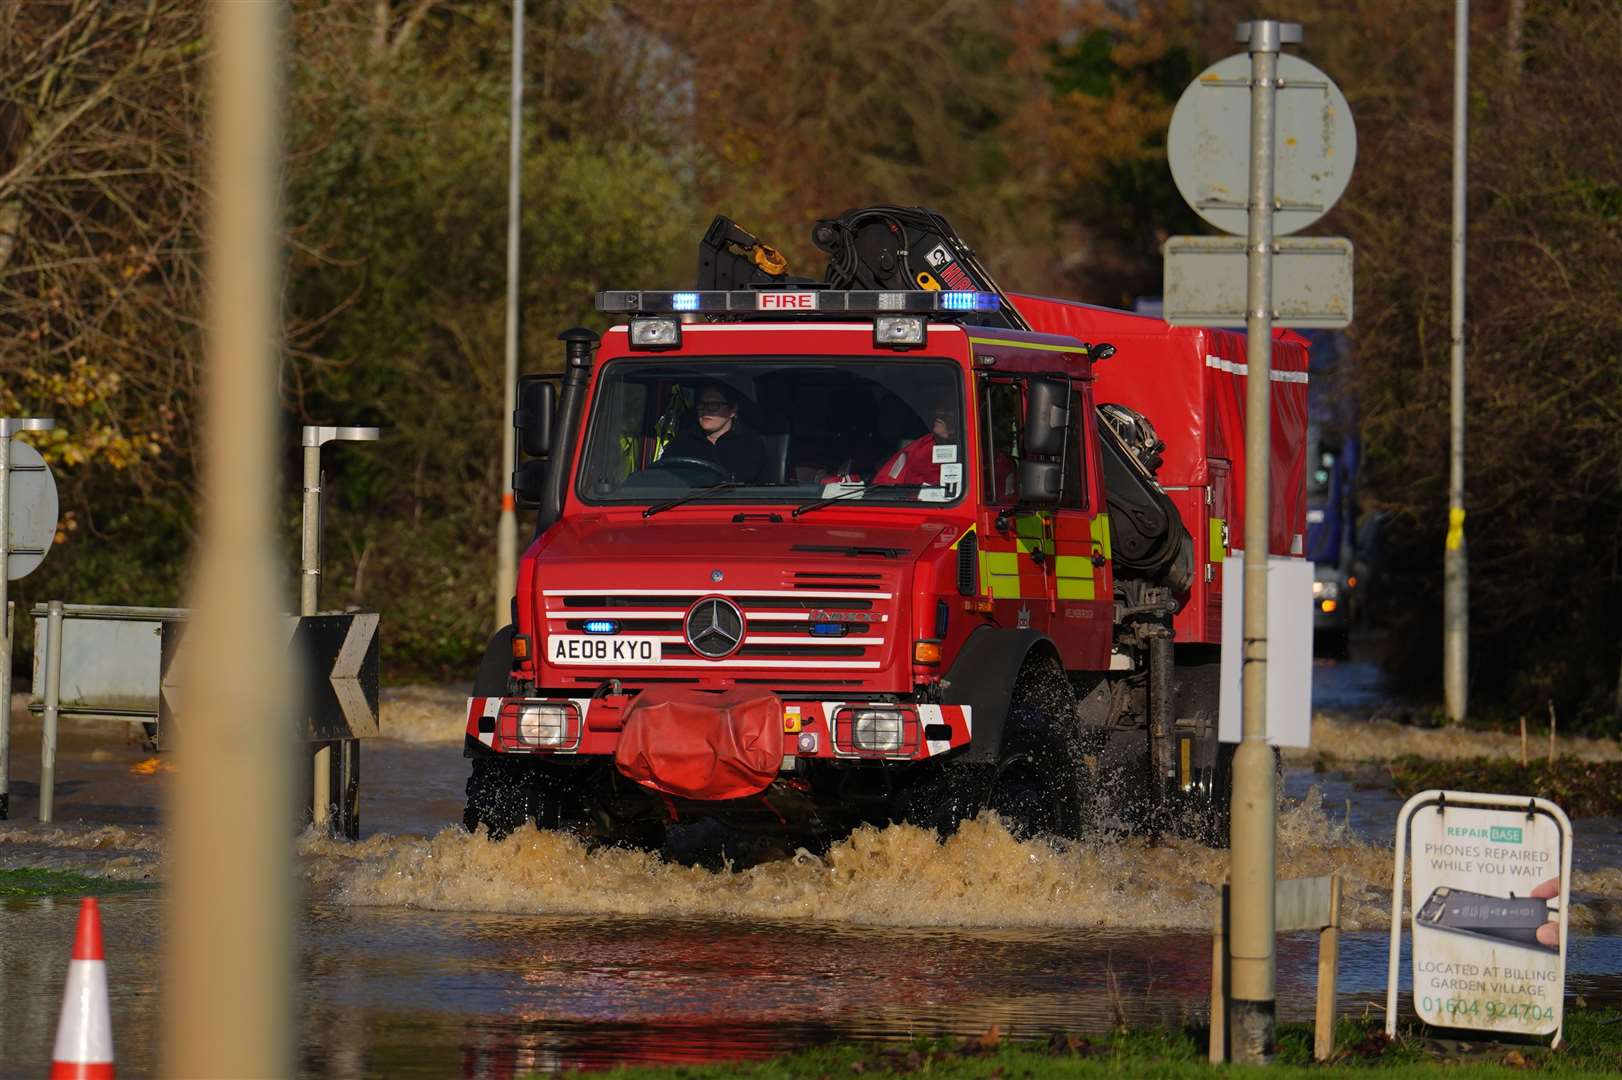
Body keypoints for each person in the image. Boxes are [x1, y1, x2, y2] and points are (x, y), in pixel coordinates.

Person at [660, 382, 766, 483]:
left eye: (714, 404)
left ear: (732, 410)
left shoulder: (750, 443)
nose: (705, 410)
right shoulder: (683, 440)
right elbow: (663, 475)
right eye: (702, 404)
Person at [874, 394, 960, 488]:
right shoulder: (921, 445)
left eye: (947, 411)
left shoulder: (971, 448)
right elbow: (889, 479)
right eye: (939, 410)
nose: (939, 414)